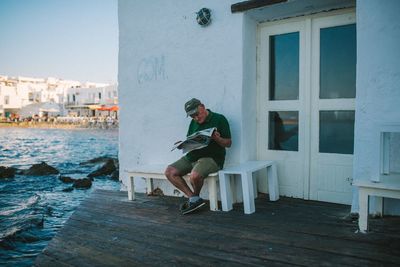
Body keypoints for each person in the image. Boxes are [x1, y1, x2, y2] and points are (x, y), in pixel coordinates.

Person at [165, 98, 232, 214]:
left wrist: (217, 138)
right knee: (169, 171)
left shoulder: (219, 119)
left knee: (195, 176)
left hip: (211, 158)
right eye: (192, 116)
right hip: (193, 156)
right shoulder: (193, 122)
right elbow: (191, 140)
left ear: (202, 106)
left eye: (197, 114)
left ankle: (194, 199)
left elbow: (228, 143)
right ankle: (193, 198)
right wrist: (183, 145)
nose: (196, 118)